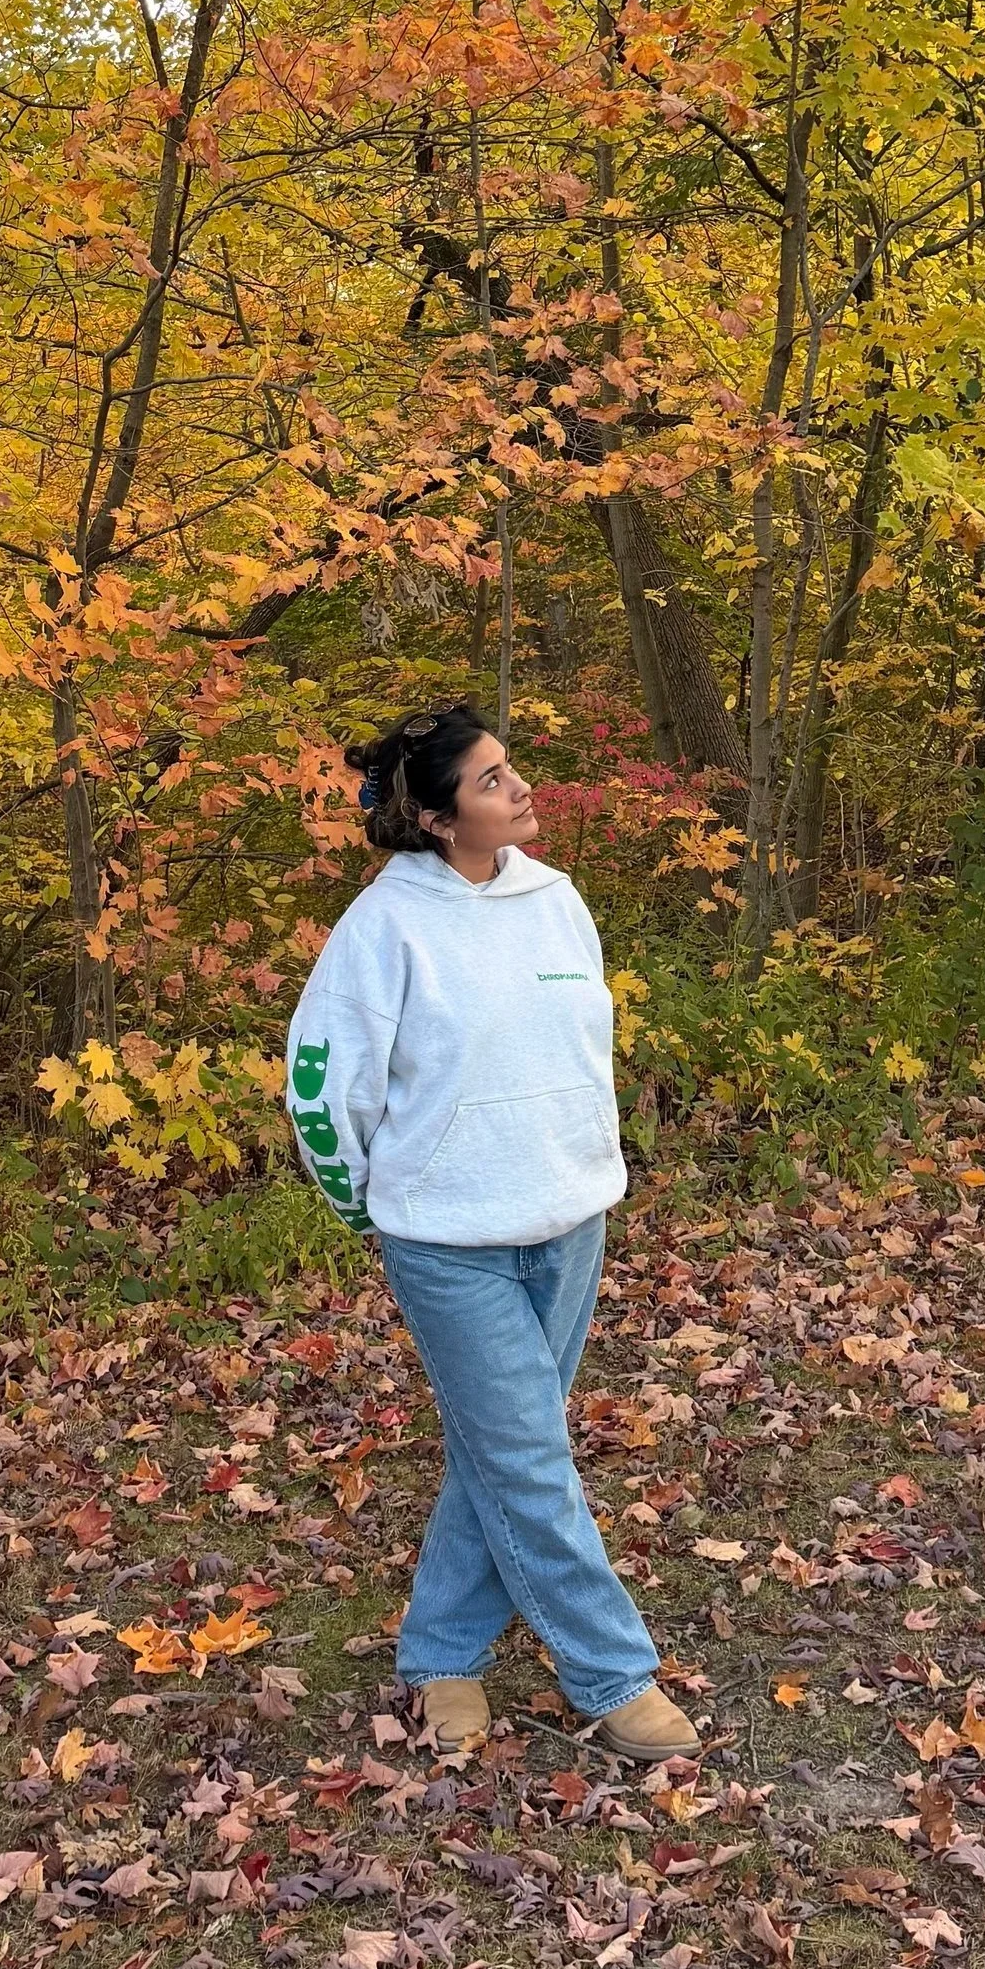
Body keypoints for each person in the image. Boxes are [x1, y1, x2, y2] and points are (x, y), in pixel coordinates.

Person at [284, 703, 699, 1764]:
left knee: (504, 1453)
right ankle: (612, 1673)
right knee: (527, 1457)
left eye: (511, 769)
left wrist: (588, 1161)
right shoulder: (384, 927)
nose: (519, 790)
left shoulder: (556, 900)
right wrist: (371, 1206)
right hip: (447, 1241)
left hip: (568, 1223)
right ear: (435, 818)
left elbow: (580, 1051)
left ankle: (441, 1652)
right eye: (490, 781)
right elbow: (321, 1085)